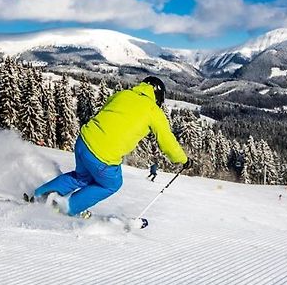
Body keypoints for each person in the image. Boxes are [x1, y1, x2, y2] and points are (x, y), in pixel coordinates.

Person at [32, 76, 192, 216]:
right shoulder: (153, 111)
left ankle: (39, 196)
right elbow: (167, 142)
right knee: (112, 184)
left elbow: (106, 111)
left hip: (84, 140)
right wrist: (183, 160)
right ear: (158, 96)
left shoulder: (124, 94)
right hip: (102, 155)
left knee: (81, 177)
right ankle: (67, 209)